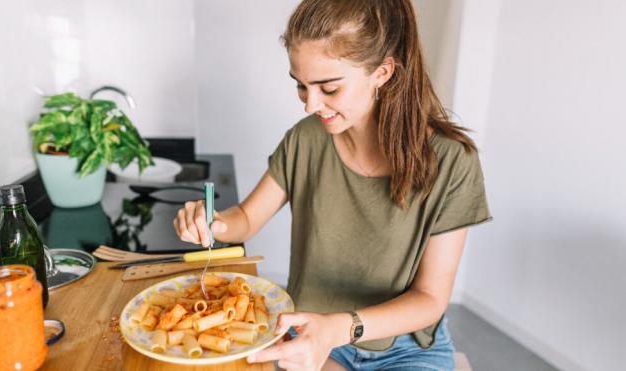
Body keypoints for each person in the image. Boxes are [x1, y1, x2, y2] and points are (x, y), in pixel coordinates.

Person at [173, 0, 491, 369]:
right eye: (301, 87)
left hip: (405, 348)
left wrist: (339, 328)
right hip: (310, 333)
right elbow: (246, 216)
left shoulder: (453, 161)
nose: (310, 105)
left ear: (383, 72)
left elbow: (430, 298)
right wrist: (214, 223)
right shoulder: (306, 139)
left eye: (329, 89)